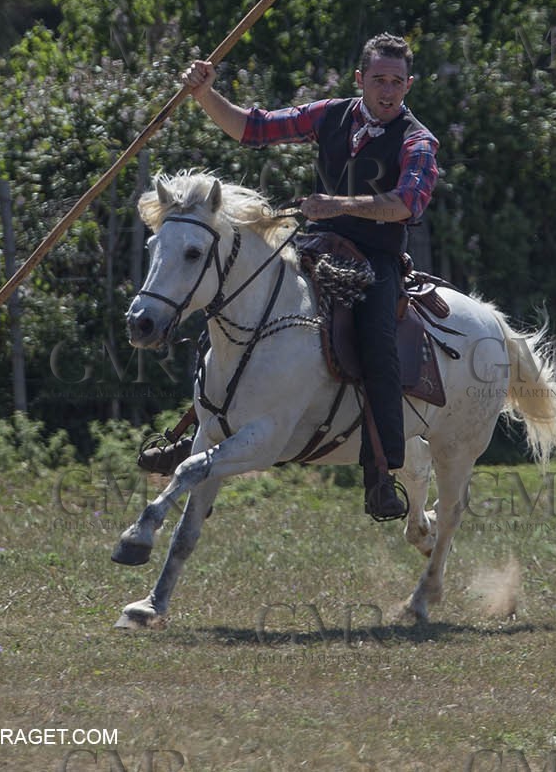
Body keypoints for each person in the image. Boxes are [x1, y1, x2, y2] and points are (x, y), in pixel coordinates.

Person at [181, 32, 439, 521]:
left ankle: (381, 471)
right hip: (315, 246)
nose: (387, 91)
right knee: (234, 299)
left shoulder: (417, 140)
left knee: (378, 345)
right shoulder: (329, 114)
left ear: (409, 84)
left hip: (375, 262)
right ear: (360, 79)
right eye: (379, 80)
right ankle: (200, 425)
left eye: (397, 82)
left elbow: (407, 203)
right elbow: (253, 129)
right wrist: (204, 93)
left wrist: (338, 204)